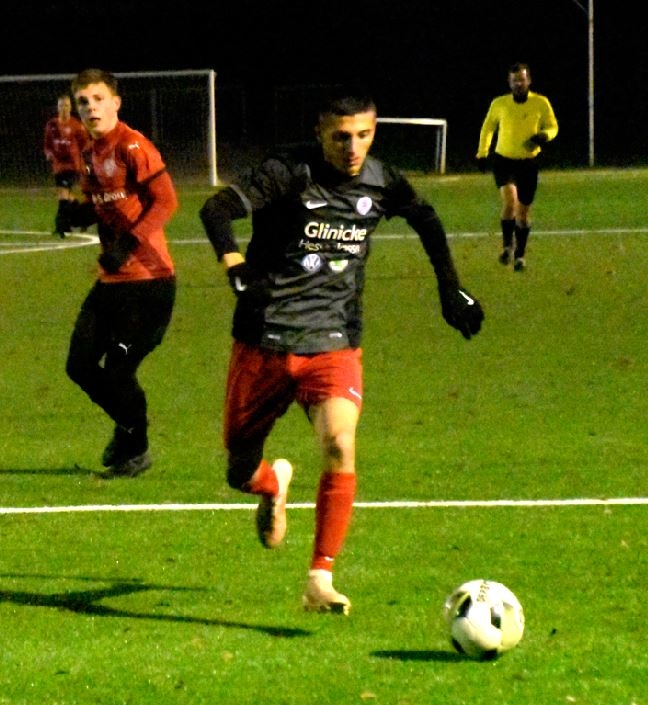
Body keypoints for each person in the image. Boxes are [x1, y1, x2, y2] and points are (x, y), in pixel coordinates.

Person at [199, 88, 485, 615]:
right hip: (264, 339)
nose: (352, 147)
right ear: (320, 134)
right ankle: (272, 484)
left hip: (333, 340)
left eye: (363, 135)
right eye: (340, 137)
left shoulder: (382, 181)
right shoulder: (287, 172)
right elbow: (216, 210)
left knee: (338, 441)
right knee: (239, 470)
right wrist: (235, 267)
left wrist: (451, 288)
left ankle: (320, 578)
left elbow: (426, 219)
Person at [65, 69, 178, 478]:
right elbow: (107, 204)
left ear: (116, 102)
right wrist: (77, 215)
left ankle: (135, 447)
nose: (91, 107)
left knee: (117, 371)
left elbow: (166, 201)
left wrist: (127, 245)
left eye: (98, 98)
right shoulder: (88, 152)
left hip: (150, 283)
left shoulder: (132, 145)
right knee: (79, 365)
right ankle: (130, 429)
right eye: (83, 101)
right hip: (111, 282)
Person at [475, 62, 558, 271]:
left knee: (523, 213)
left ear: (529, 80)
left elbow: (553, 126)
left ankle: (520, 255)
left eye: (521, 79)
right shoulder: (499, 104)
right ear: (509, 82)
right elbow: (488, 128)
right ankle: (507, 247)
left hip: (528, 163)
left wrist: (544, 136)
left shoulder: (540, 103)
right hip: (504, 161)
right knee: (510, 202)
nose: (518, 84)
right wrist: (482, 153)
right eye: (514, 80)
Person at [43, 92, 89, 237]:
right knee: (66, 196)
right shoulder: (51, 125)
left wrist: (86, 163)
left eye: (67, 105)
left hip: (73, 166)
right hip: (58, 166)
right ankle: (84, 217)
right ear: (57, 107)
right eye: (61, 105)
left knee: (63, 194)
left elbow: (85, 145)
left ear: (70, 107)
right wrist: (49, 153)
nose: (64, 108)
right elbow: (47, 145)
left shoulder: (76, 126)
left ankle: (62, 227)